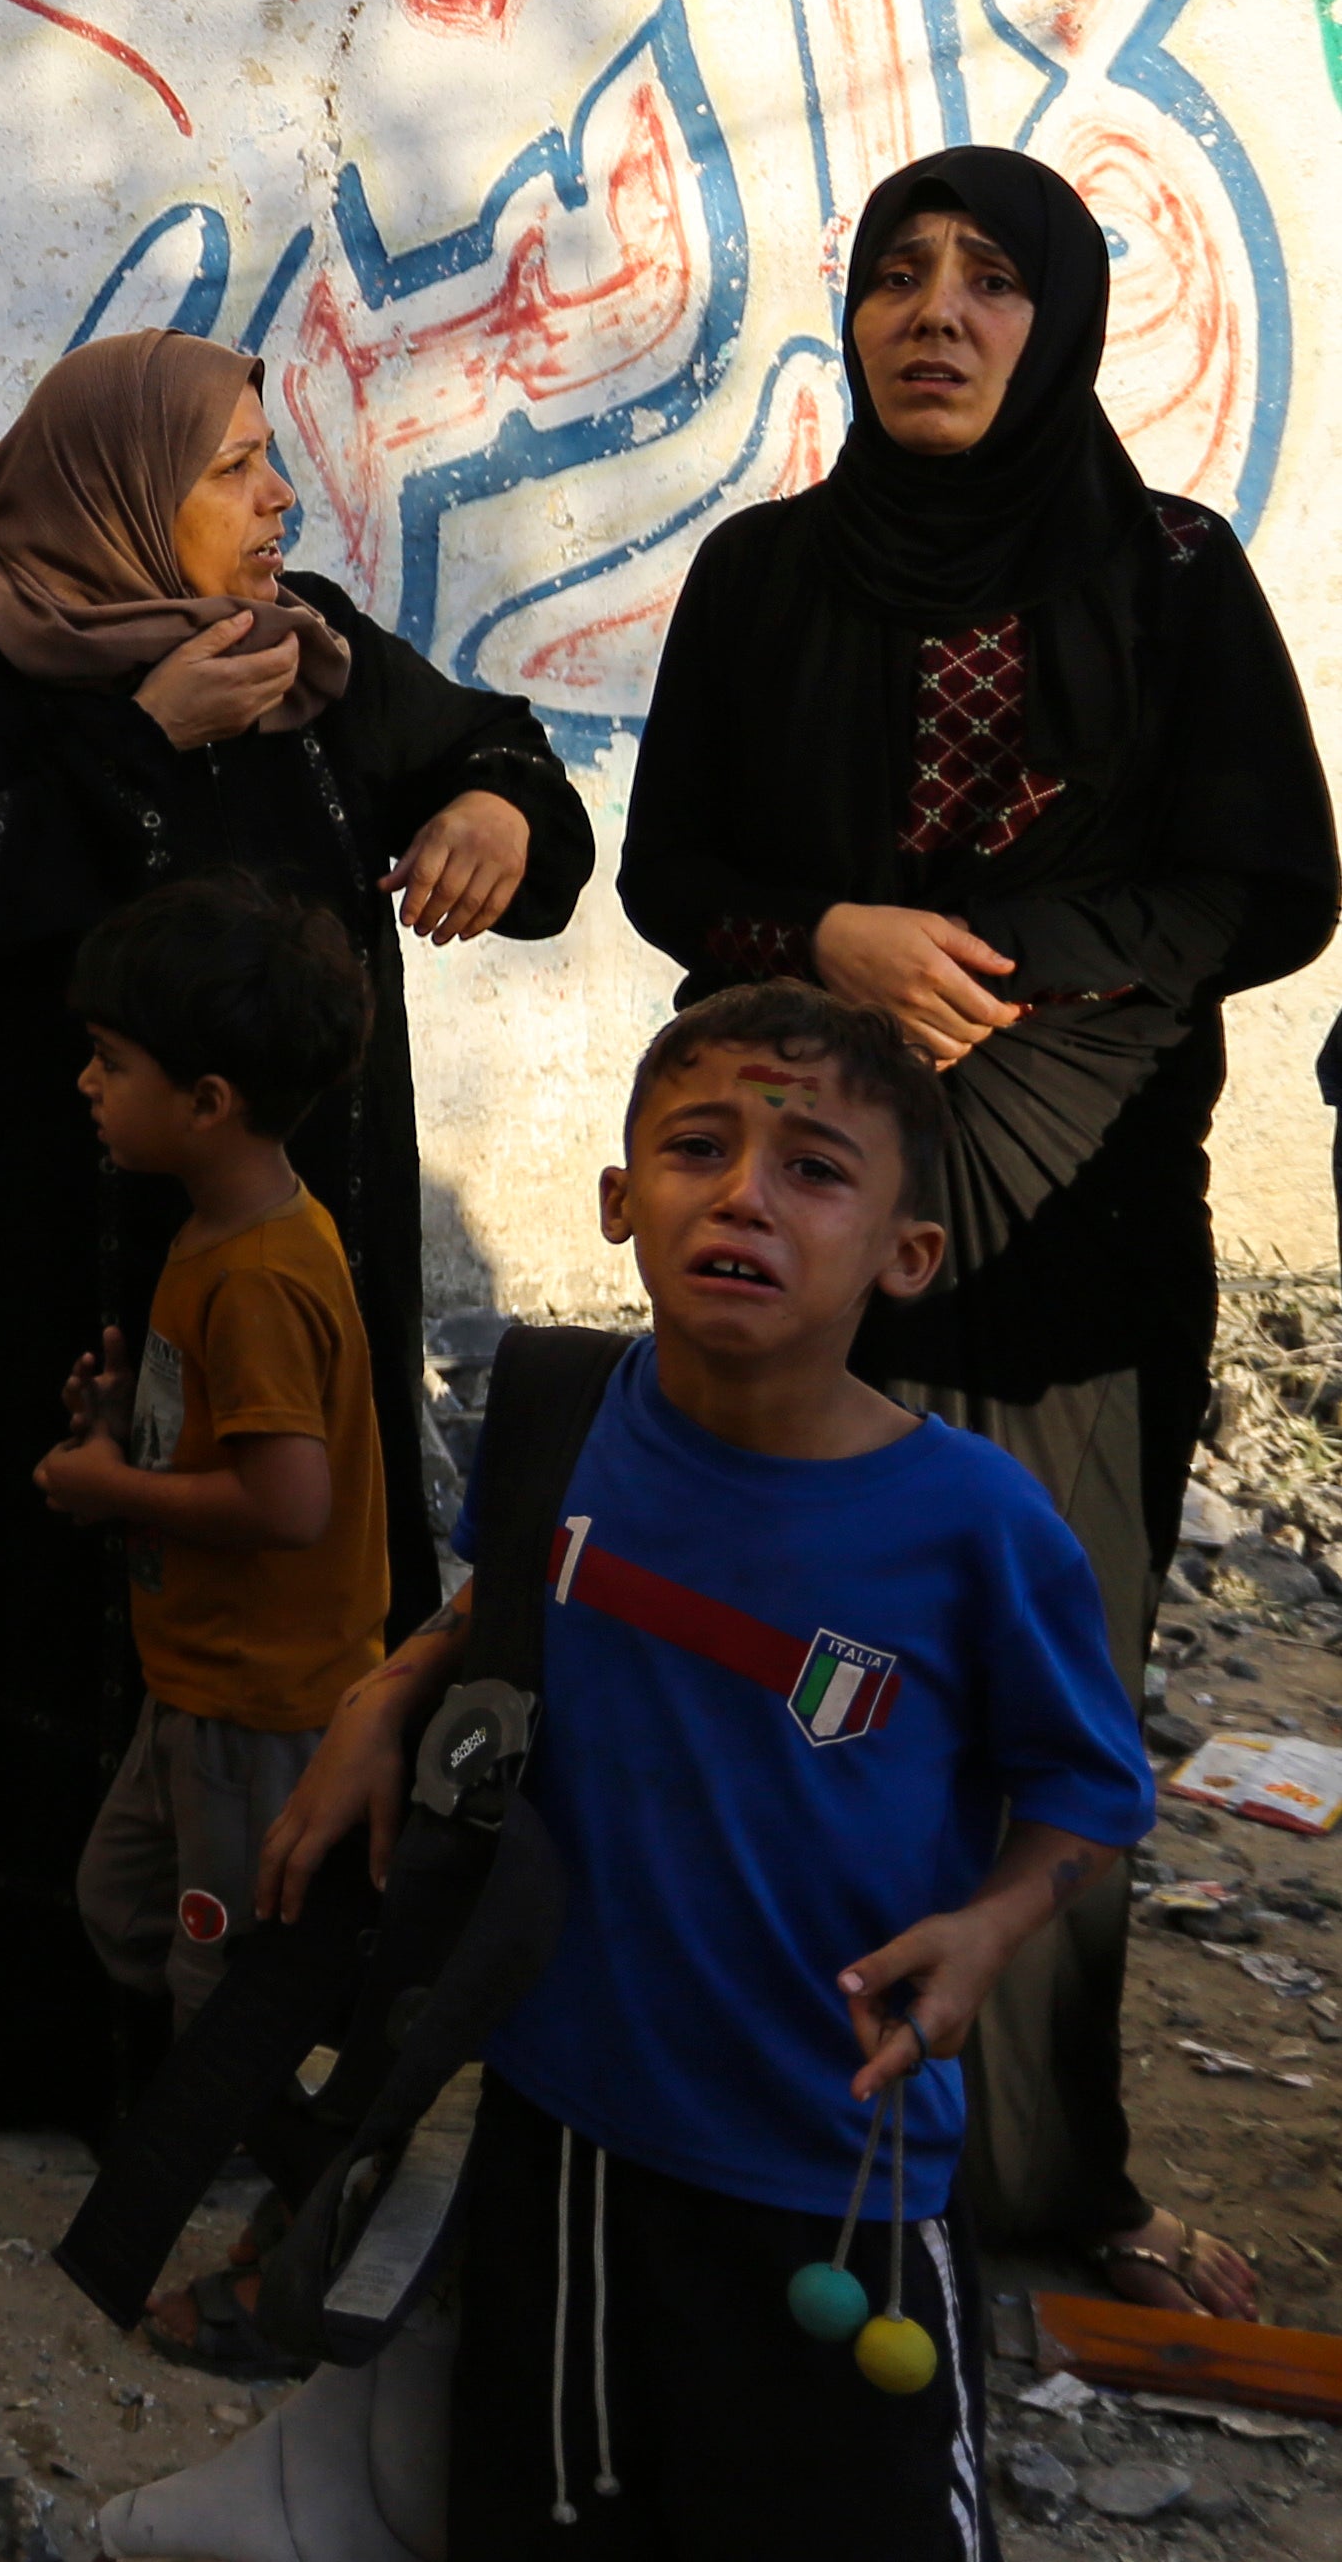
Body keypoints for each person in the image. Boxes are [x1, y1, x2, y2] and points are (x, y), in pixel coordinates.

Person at [621, 145, 1333, 2312]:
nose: (937, 313)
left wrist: (1000, 961)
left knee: (1043, 1714)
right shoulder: (761, 577)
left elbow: (1271, 881)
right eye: (896, 275)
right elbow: (671, 871)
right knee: (790, 1700)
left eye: (994, 281)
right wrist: (824, 930)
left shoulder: (1178, 576)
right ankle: (769, 2132)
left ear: (1068, 320)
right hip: (804, 1244)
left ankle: (1034, 2167)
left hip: (1080, 1255)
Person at [0, 330, 596, 2130]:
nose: (273, 500)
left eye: (266, 464)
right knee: (38, 1608)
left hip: (290, 1281)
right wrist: (135, 742)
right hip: (42, 1271)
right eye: (233, 467)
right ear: (116, 484)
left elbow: (506, 769)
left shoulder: (300, 651)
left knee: (279, 1621)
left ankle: (251, 2063)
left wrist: (485, 806)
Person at [263, 985, 1151, 2553]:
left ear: (906, 1253)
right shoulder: (561, 1415)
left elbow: (1087, 1791)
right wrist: (384, 1694)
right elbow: (515, 1600)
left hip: (826, 2166)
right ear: (621, 1203)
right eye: (696, 1147)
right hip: (561, 2125)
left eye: (814, 1168)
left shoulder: (975, 1528)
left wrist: (993, 1928)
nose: (744, 1193)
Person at [32, 871, 385, 2078]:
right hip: (197, 1676)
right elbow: (243, 1440)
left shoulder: (258, 1277)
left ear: (210, 1099)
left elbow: (289, 1503)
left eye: (111, 1061)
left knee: (216, 1960)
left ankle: (237, 2166)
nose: (87, 1082)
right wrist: (131, 1425)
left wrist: (109, 1490)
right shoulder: (225, 1226)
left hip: (259, 1699)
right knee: (127, 1904)